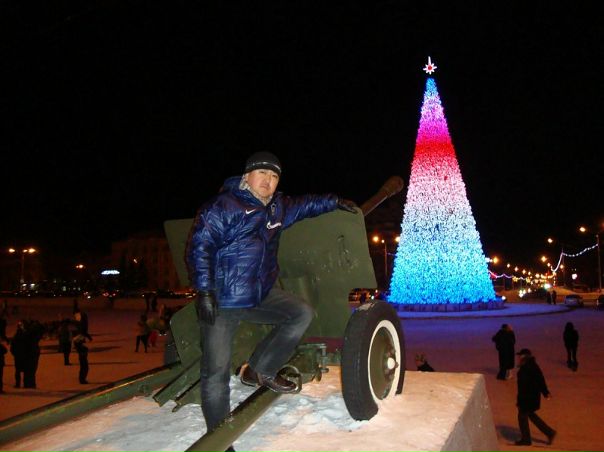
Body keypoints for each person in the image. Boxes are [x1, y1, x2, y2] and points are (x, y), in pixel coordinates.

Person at [186, 151, 357, 449]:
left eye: (274, 176)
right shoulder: (223, 206)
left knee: (300, 313)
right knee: (215, 374)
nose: (268, 181)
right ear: (247, 176)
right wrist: (205, 291)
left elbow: (305, 205)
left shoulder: (277, 208)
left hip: (258, 295)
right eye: (262, 173)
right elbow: (200, 247)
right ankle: (219, 441)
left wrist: (334, 201)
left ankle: (260, 369)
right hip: (224, 300)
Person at [514, 348, 556, 446]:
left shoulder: (529, 367)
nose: (518, 357)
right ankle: (549, 433)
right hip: (529, 397)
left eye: (520, 355)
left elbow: (539, 380)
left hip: (528, 398)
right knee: (531, 415)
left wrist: (545, 392)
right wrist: (545, 392)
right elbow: (540, 379)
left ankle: (526, 439)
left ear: (524, 356)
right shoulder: (529, 366)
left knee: (522, 417)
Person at [10, 321, 27, 388]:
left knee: (17, 370)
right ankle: (25, 383)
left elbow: (12, 347)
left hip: (18, 356)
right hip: (24, 355)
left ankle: (18, 384)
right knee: (25, 370)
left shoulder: (15, 337)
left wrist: (14, 353)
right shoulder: (25, 336)